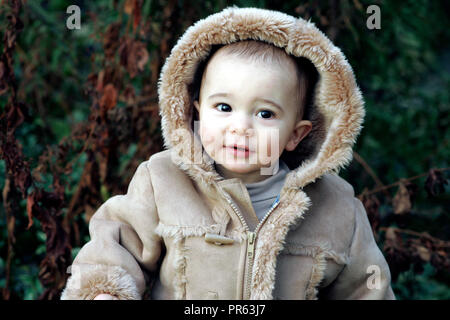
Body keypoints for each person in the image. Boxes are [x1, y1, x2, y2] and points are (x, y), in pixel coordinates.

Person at [61, 7, 395, 300]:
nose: (240, 127)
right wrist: (104, 290)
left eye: (264, 114)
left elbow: (367, 289)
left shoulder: (335, 207)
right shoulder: (163, 181)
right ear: (196, 114)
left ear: (296, 134)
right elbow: (116, 244)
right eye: (223, 107)